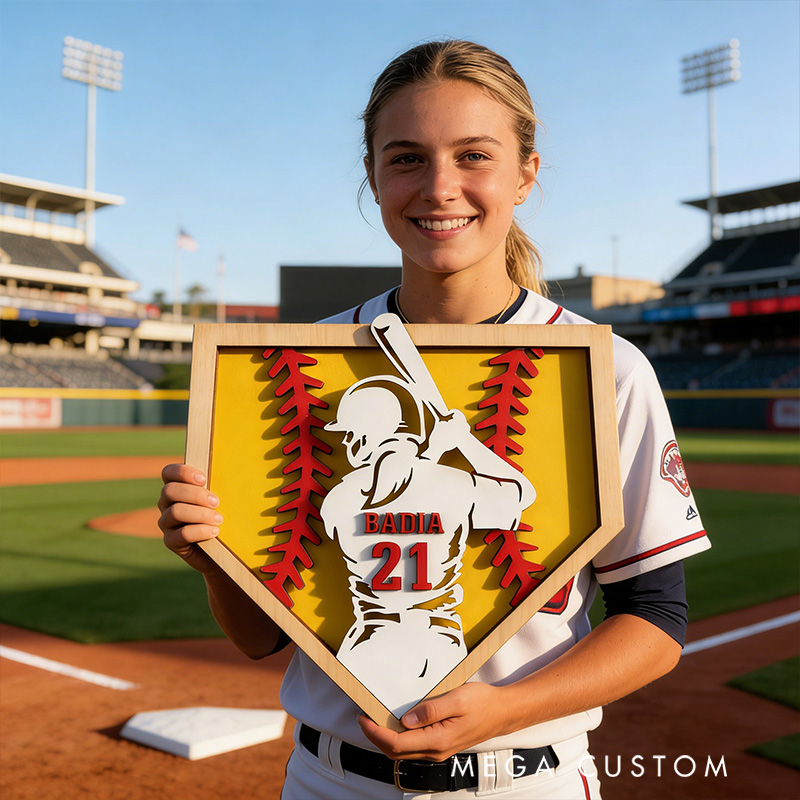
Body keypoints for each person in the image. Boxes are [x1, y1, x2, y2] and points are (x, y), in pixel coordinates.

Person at [158, 39, 710, 799]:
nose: (440, 187)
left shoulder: (604, 369)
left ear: (526, 174)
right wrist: (211, 559)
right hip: (331, 780)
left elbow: (656, 619)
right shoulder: (293, 367)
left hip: (525, 781)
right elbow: (258, 637)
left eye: (474, 156)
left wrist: (505, 710)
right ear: (374, 176)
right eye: (408, 158)